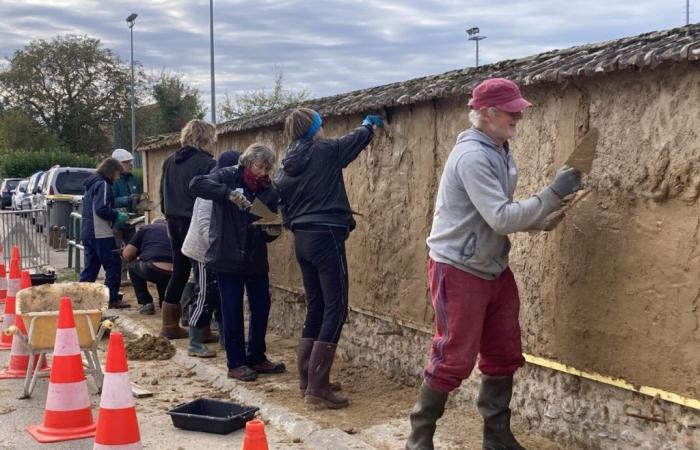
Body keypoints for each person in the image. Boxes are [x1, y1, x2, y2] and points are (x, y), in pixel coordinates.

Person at [404, 78, 582, 450]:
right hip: (458, 268)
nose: (518, 114)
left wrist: (537, 220)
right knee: (454, 356)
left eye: (518, 108)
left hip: (491, 266)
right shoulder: (472, 157)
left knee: (503, 352)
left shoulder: (499, 148)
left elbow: (491, 217)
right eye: (510, 109)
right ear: (486, 113)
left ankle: (497, 437)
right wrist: (551, 194)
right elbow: (500, 218)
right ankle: (419, 439)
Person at [274, 108, 383, 409]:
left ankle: (307, 379)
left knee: (316, 305)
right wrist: (368, 124)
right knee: (336, 307)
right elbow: (353, 142)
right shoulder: (323, 150)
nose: (324, 129)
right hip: (326, 236)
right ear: (314, 129)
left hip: (302, 239)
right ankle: (317, 388)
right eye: (321, 124)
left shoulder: (286, 166)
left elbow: (278, 200)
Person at [190, 143, 285, 381]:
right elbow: (196, 184)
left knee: (261, 306)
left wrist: (271, 232)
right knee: (231, 309)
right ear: (247, 162)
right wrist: (228, 194)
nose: (263, 172)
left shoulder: (269, 190)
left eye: (267, 168)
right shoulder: (227, 176)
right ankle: (236, 363)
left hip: (254, 257)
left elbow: (266, 222)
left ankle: (257, 356)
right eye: (259, 166)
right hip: (227, 255)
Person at [159, 119, 217, 339]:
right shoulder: (208, 164)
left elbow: (161, 193)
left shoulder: (168, 161)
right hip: (196, 221)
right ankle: (201, 327)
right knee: (203, 274)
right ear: (206, 139)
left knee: (180, 271)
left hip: (173, 220)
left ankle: (169, 325)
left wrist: (166, 217)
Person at [181, 150, 240, 358]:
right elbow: (206, 226)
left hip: (218, 252)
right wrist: (218, 249)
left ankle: (226, 337)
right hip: (203, 252)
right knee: (206, 293)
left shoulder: (229, 188)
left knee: (223, 294)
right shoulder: (209, 193)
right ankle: (194, 342)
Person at [79, 158, 130, 309]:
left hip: (88, 232)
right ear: (112, 171)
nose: (118, 177)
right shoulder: (103, 184)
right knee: (113, 265)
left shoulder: (91, 184)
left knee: (91, 268)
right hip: (101, 232)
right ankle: (111, 299)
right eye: (118, 173)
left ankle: (80, 298)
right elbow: (101, 208)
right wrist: (116, 215)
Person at [121, 218, 173, 315]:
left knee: (132, 265)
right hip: (174, 271)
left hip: (153, 268)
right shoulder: (174, 230)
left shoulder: (145, 229)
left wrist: (137, 256)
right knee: (162, 275)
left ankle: (146, 303)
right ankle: (165, 303)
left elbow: (127, 254)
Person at [111, 148, 143, 213]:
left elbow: (140, 195)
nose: (130, 164)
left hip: (134, 217)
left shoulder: (134, 179)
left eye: (130, 161)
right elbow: (110, 201)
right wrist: (127, 199)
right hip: (118, 219)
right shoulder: (112, 180)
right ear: (117, 164)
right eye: (126, 162)